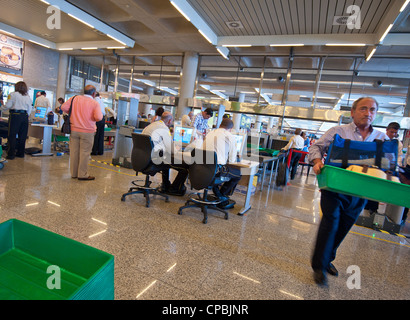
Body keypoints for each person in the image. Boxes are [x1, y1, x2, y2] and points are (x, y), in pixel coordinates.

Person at [308, 97, 388, 286]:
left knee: (344, 227)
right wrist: (317, 161)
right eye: (363, 108)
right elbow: (316, 147)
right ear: (353, 112)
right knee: (331, 223)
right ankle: (319, 267)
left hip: (359, 192)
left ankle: (327, 258)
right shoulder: (338, 131)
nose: (368, 113)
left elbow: (388, 163)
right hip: (334, 187)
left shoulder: (381, 138)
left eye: (372, 110)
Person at [61, 85, 103, 181]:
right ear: (93, 93)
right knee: (84, 153)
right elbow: (99, 118)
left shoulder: (74, 98)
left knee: (74, 152)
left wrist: (74, 113)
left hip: (74, 130)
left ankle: (74, 173)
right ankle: (82, 174)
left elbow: (63, 107)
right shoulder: (94, 103)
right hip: (87, 131)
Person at [142, 111, 188, 195]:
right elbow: (171, 150)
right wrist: (177, 149)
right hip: (153, 160)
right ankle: (175, 189)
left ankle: (165, 186)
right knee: (185, 167)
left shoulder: (151, 125)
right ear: (170, 121)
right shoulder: (164, 128)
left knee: (165, 158)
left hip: (142, 158)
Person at [203, 118, 241, 209]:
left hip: (202, 168)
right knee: (238, 174)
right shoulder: (230, 136)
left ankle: (218, 194)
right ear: (230, 129)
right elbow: (232, 160)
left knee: (218, 173)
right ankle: (222, 196)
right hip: (216, 169)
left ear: (220, 125)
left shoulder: (210, 133)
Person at [0, 81, 32, 159]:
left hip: (15, 116)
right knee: (23, 136)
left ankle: (11, 154)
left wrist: (1, 108)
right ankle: (20, 153)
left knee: (12, 135)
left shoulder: (12, 95)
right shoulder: (28, 97)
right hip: (24, 116)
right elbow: (29, 109)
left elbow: (8, 105)